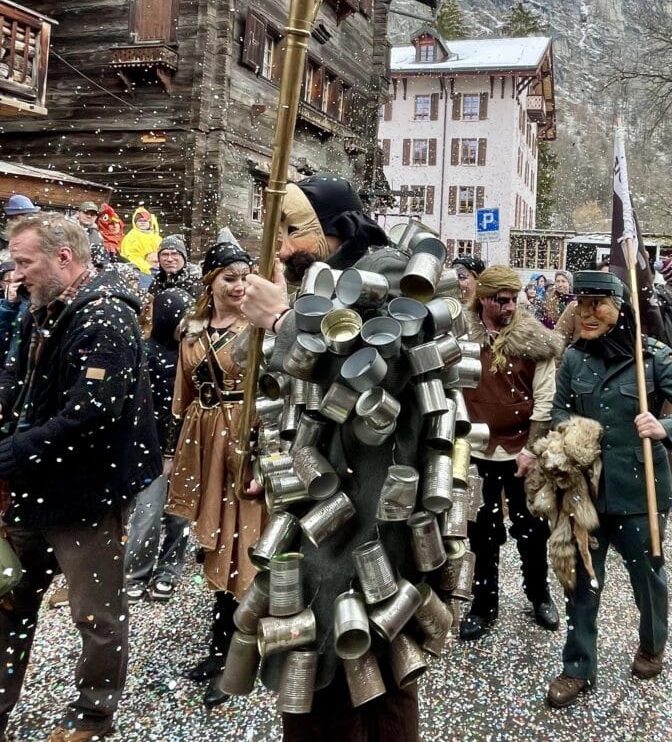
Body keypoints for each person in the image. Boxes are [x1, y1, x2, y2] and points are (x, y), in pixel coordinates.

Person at [0, 215, 162, 742]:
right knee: (3, 606)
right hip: (32, 489)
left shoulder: (107, 317)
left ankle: (92, 717)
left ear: (63, 257)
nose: (16, 275)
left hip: (88, 493)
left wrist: (8, 455)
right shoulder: (44, 307)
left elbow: (92, 414)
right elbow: (16, 368)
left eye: (25, 262)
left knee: (97, 616)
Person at [242, 174, 434, 742]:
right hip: (320, 503)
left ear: (338, 230)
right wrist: (276, 467)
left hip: (366, 516)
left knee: (335, 671)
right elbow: (309, 407)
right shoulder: (324, 284)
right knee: (360, 681)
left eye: (293, 231)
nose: (280, 246)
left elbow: (378, 386)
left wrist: (280, 321)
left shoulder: (388, 278)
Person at [545, 271, 672, 708]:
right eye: (581, 304)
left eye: (598, 304)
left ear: (620, 309)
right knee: (583, 580)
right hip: (588, 493)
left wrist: (663, 426)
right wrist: (571, 434)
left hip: (641, 493)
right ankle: (577, 667)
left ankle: (653, 644)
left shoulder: (652, 358)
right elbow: (559, 409)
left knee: (647, 577)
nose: (587, 313)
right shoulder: (575, 360)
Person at [166, 238, 264, 709]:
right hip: (201, 439)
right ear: (210, 282)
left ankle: (234, 654)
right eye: (229, 278)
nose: (240, 285)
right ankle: (219, 642)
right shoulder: (191, 328)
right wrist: (174, 453)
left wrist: (264, 458)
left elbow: (271, 396)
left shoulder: (256, 330)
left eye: (245, 277)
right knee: (215, 540)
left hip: (242, 440)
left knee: (239, 540)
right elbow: (182, 394)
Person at [458, 264, 563, 641]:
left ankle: (539, 595)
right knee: (481, 532)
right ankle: (483, 603)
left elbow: (546, 399)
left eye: (514, 300)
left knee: (532, 530)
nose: (509, 307)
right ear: (482, 299)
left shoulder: (534, 340)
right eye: (501, 300)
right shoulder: (461, 336)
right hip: (474, 450)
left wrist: (533, 450)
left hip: (521, 451)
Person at [125, 287, 192, 603]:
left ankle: (169, 571)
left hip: (187, 448)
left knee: (180, 517)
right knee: (147, 515)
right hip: (151, 450)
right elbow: (140, 409)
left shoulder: (190, 355)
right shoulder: (145, 354)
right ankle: (137, 571)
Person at [149, 235, 203, 299]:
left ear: (184, 257)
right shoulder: (157, 282)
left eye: (174, 254)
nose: (169, 259)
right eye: (165, 254)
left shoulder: (197, 281)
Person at [120, 206, 162, 282]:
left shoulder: (157, 237)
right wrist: (147, 267)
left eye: (145, 221)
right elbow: (132, 257)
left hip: (158, 269)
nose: (142, 222)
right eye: (139, 221)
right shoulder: (131, 238)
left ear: (150, 223)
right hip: (140, 271)